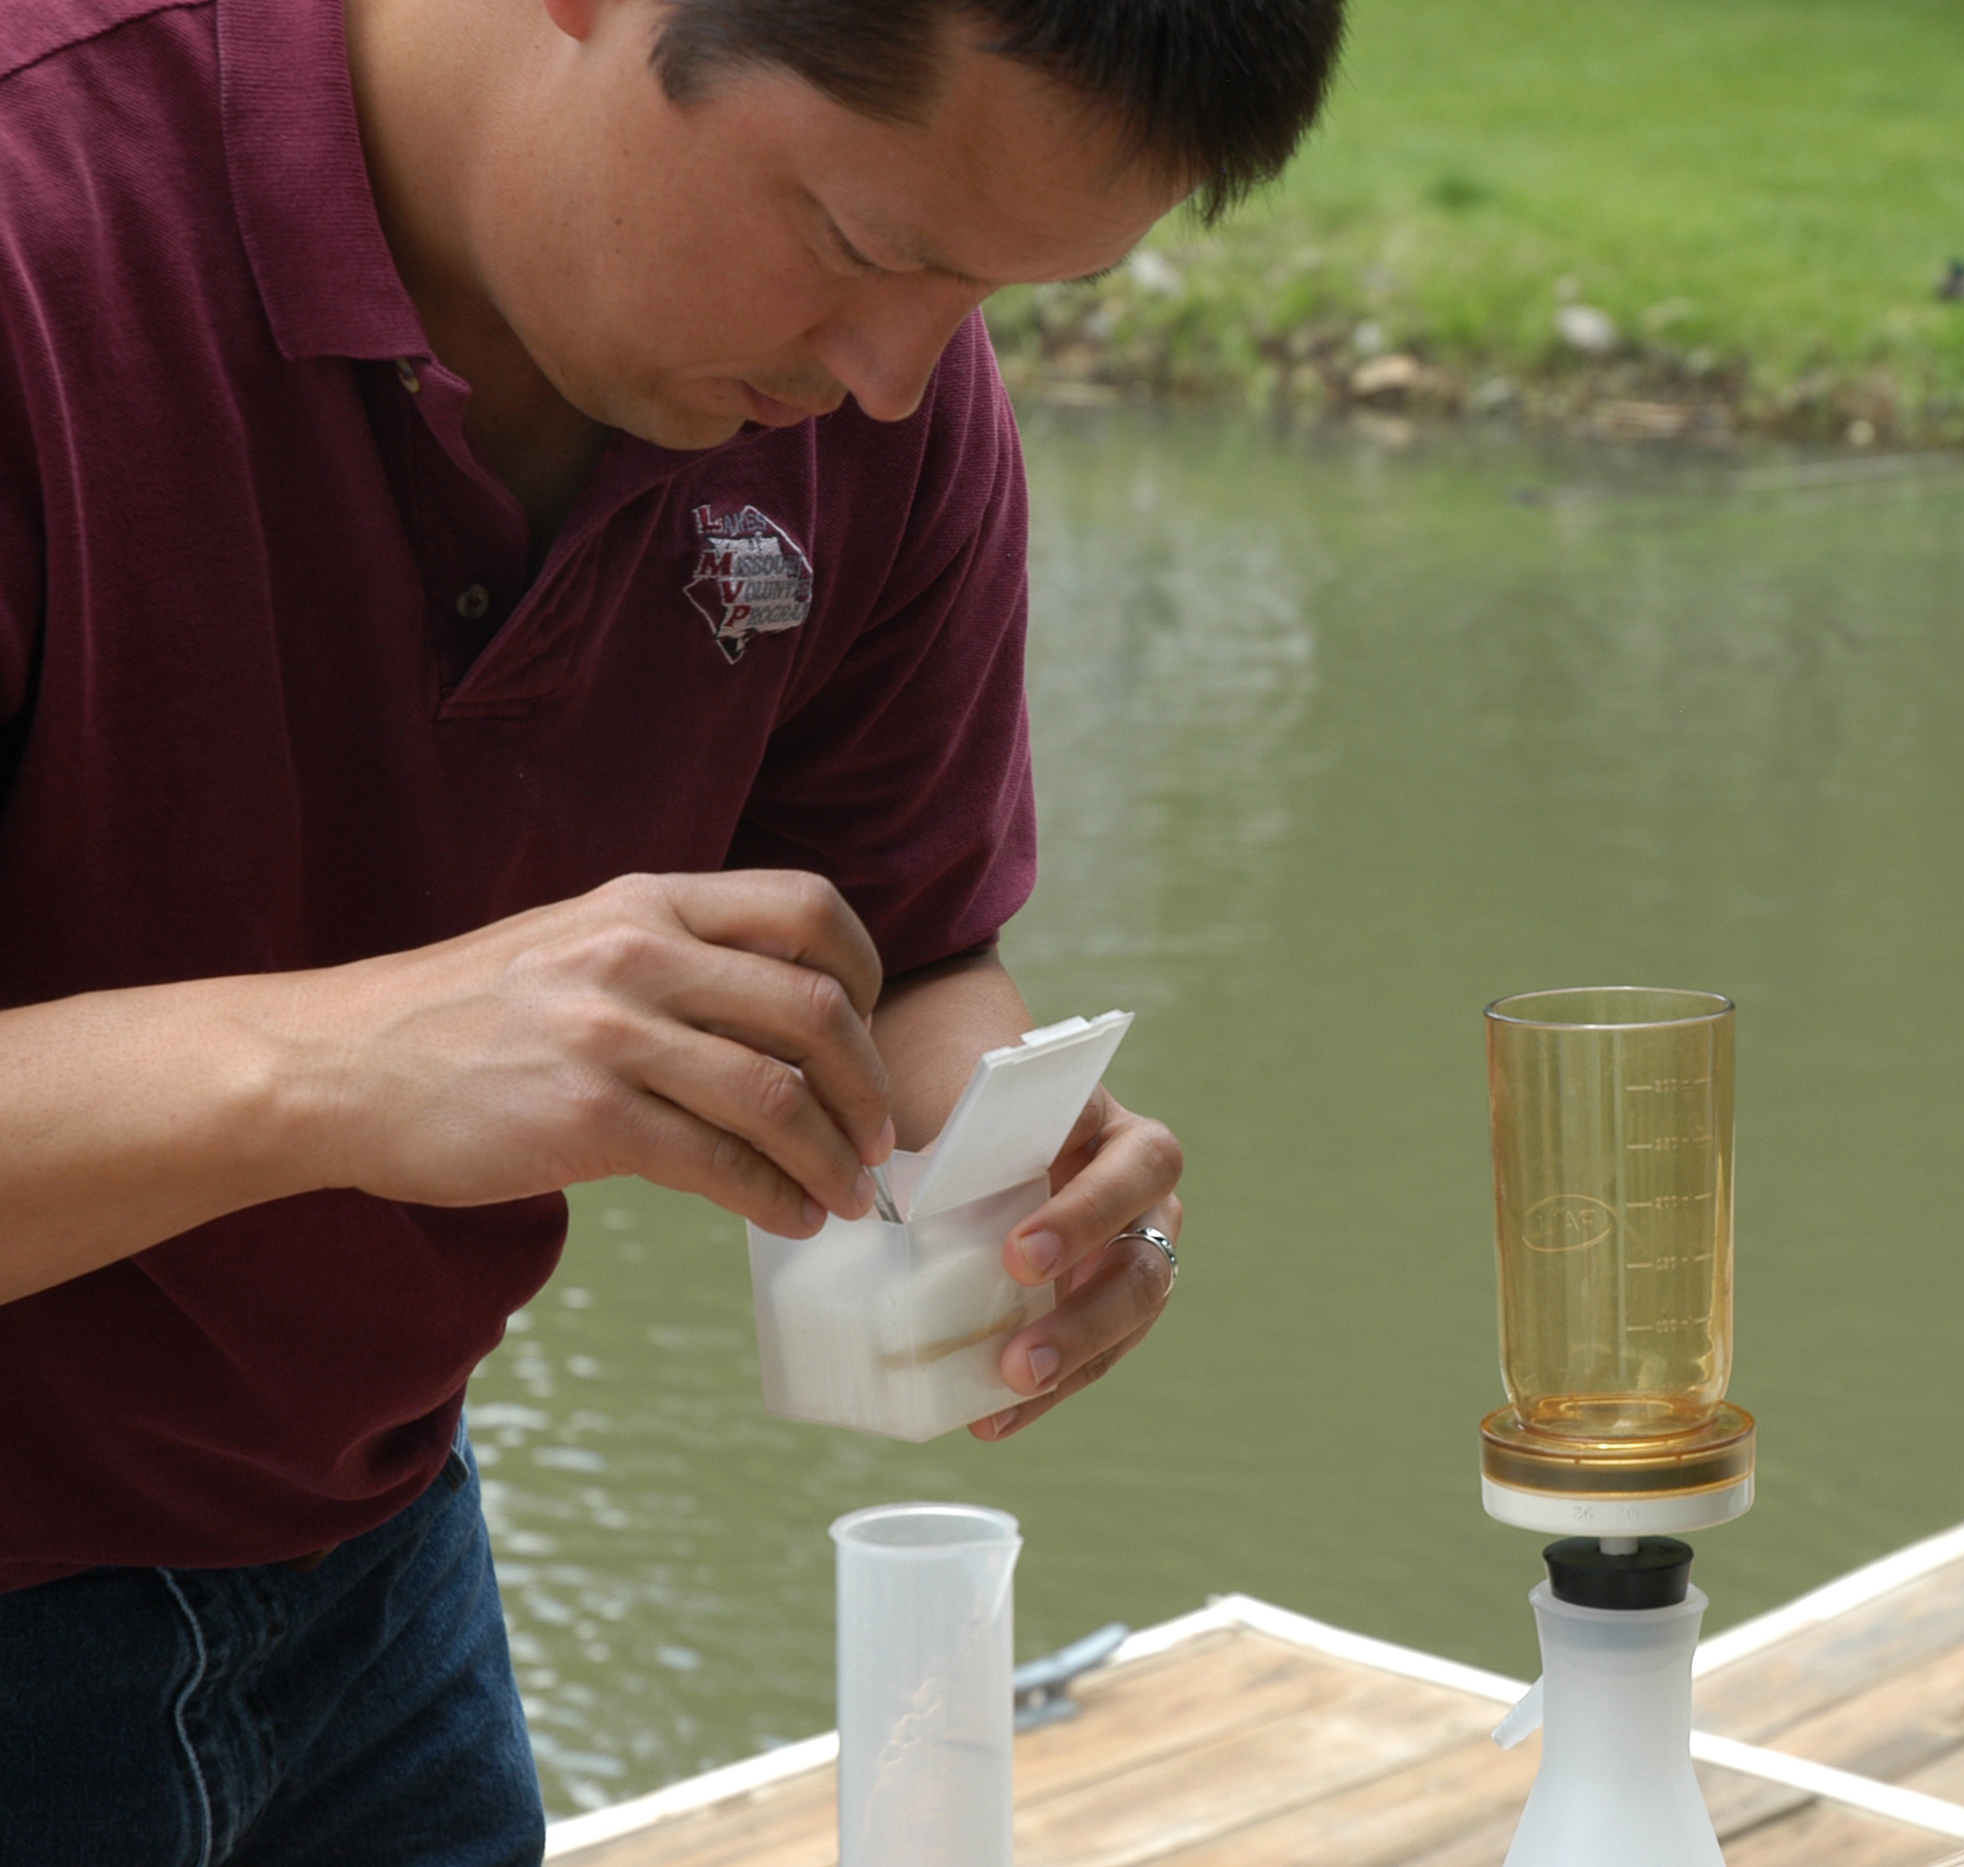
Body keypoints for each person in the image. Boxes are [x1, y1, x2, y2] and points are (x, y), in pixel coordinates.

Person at [0, 0, 1344, 1857]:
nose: (892, 382)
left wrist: (992, 1178)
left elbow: (913, 948)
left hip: (372, 1566)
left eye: (991, 296)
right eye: (865, 248)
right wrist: (335, 1062)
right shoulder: (35, 232)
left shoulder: (874, 405)